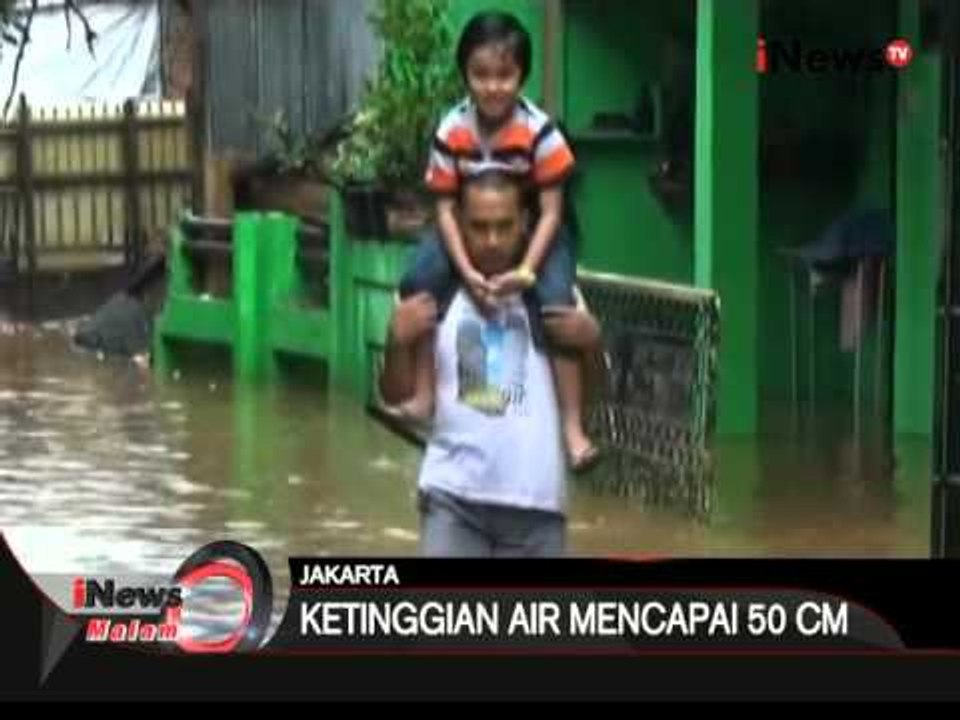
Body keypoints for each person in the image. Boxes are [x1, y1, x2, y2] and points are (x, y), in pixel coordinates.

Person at [397, 10, 599, 472]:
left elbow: (551, 212)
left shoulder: (540, 131)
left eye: (504, 75)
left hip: (538, 232)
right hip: (464, 229)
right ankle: (424, 395)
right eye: (481, 75)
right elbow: (444, 208)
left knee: (557, 304)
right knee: (419, 281)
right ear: (465, 74)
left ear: (521, 75)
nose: (493, 87)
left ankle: (573, 429)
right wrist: (466, 270)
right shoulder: (451, 130)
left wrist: (527, 269)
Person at [381, 168, 604, 557]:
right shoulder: (434, 293)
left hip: (538, 510)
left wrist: (592, 344)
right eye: (479, 227)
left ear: (525, 224)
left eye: (504, 226)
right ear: (456, 227)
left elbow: (595, 401)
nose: (492, 240)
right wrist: (396, 341)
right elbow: (394, 395)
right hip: (451, 502)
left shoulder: (557, 299)